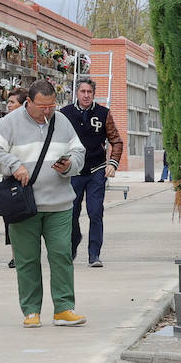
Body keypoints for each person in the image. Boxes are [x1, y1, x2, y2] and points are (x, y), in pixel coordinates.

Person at [0, 80, 87, 327]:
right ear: (28, 102)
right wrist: (13, 164)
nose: (47, 111)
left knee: (62, 254)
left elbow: (78, 151)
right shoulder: (10, 122)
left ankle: (64, 308)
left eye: (51, 105)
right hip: (23, 206)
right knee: (27, 259)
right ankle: (31, 311)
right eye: (42, 106)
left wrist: (69, 164)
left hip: (59, 204)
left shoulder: (61, 121)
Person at [59, 78, 123, 267]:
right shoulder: (65, 114)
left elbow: (116, 141)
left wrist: (113, 163)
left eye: (89, 92)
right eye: (83, 92)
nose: (86, 95)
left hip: (97, 170)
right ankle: (73, 243)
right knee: (71, 213)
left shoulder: (103, 113)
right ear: (76, 93)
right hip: (74, 171)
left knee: (95, 212)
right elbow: (57, 140)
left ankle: (94, 254)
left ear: (94, 94)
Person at [4, 87, 29, 269]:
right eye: (8, 102)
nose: (8, 106)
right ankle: (15, 255)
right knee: (12, 216)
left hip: (27, 175)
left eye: (12, 102)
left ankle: (25, 253)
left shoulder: (30, 124)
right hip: (9, 176)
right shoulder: (4, 123)